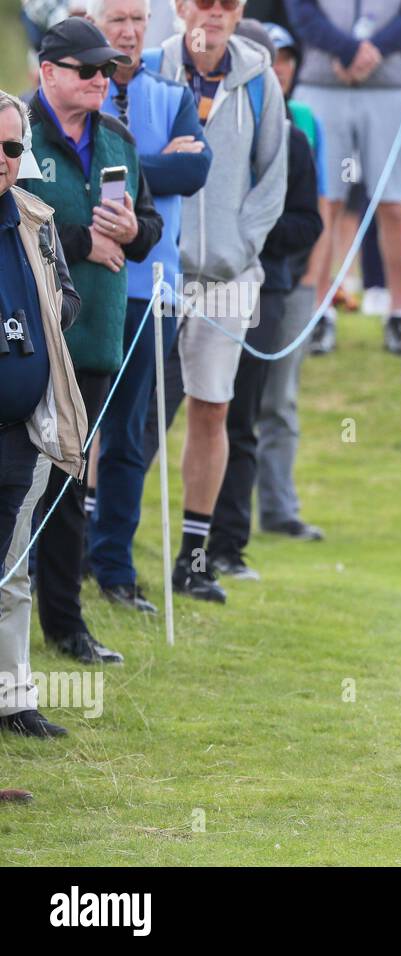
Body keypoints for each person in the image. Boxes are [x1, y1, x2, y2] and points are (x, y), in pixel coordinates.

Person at [25, 18, 165, 665]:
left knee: (65, 491)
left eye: (105, 71)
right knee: (14, 486)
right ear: (47, 71)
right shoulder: (14, 134)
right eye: (86, 70)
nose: (100, 81)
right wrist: (83, 243)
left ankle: (66, 626)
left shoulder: (117, 138)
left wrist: (135, 229)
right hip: (24, 341)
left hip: (93, 342)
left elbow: (149, 225)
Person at [152, 0, 288, 603]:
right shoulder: (151, 67)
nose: (213, 13)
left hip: (230, 276)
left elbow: (272, 179)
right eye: (201, 1)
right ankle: (98, 552)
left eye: (226, 3)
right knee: (132, 411)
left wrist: (238, 248)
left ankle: (195, 558)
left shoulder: (259, 79)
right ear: (180, 7)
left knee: (213, 409)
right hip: (155, 267)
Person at [87, 0, 213, 615]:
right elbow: (92, 173)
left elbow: (196, 170)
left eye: (138, 19)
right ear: (94, 23)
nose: (130, 31)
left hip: (154, 290)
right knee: (70, 429)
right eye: (117, 19)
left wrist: (136, 168)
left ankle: (112, 565)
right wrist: (156, 163)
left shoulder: (173, 93)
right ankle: (49, 559)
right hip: (88, 285)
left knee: (132, 439)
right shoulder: (76, 92)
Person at [207, 18, 323, 578]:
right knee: (161, 413)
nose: (272, 70)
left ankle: (226, 546)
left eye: (278, 59)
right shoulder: (204, 124)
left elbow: (308, 223)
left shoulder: (294, 138)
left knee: (242, 416)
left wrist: (247, 233)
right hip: (194, 284)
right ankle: (111, 545)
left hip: (263, 290)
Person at [0, 88, 86, 740]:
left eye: (10, 147)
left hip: (21, 432)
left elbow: (67, 301)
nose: (2, 159)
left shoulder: (33, 217)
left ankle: (12, 698)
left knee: (11, 569)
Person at [288, 0, 401, 354]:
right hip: (323, 83)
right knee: (325, 202)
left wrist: (373, 51)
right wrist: (347, 50)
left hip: (390, 87)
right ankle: (319, 313)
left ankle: (400, 312)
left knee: (394, 202)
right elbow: (301, 11)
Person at [252, 22, 327, 543]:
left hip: (289, 279)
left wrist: (312, 281)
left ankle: (278, 508)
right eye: (271, 58)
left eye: (287, 59)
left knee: (279, 400)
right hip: (231, 280)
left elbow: (315, 210)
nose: (280, 69)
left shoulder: (303, 122)